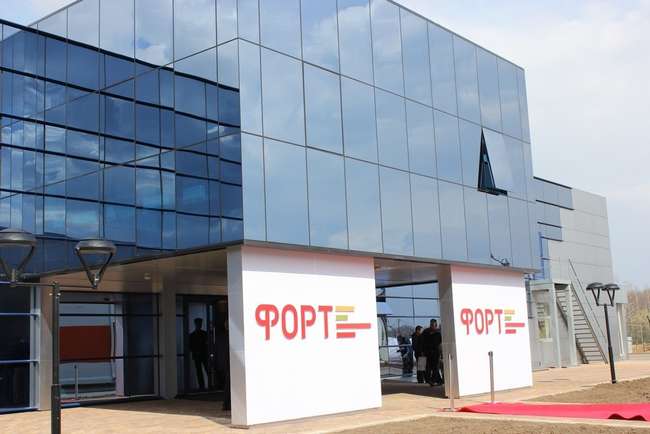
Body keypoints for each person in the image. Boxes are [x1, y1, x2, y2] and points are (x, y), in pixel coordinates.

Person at [421, 319, 443, 386]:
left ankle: (433, 380)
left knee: (435, 367)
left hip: (436, 352)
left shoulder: (438, 333)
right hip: (428, 352)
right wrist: (422, 351)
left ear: (436, 325)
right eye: (431, 324)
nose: (432, 326)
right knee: (430, 368)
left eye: (433, 324)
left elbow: (440, 343)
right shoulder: (426, 332)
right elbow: (422, 342)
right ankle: (438, 381)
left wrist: (441, 353)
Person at [189, 317, 209, 390]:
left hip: (200, 355)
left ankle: (202, 386)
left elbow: (190, 346)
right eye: (198, 324)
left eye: (200, 324)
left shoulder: (193, 335)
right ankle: (205, 386)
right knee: (203, 370)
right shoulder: (204, 334)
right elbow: (190, 346)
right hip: (201, 355)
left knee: (202, 371)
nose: (199, 325)